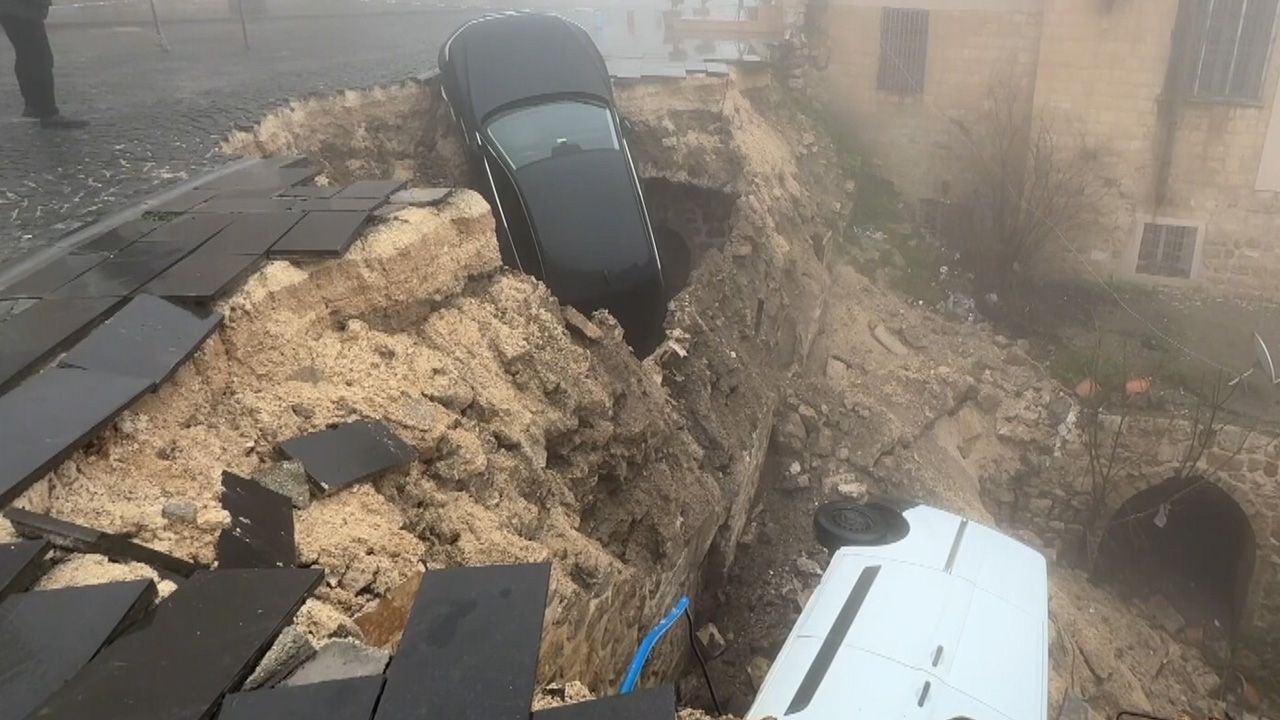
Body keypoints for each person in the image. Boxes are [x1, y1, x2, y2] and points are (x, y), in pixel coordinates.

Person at [0, 0, 87, 129]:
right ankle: (48, 112)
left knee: (27, 55)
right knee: (39, 58)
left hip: (13, 9)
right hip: (21, 9)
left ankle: (34, 105)